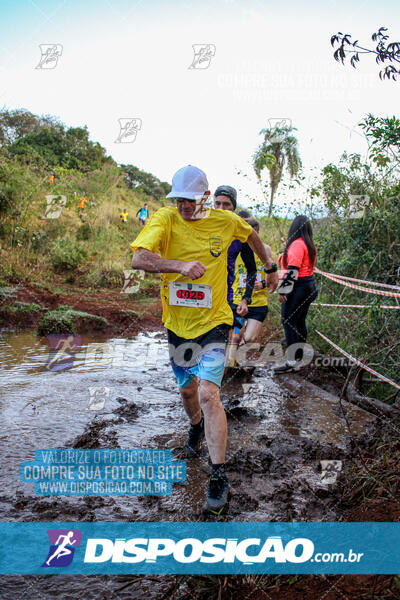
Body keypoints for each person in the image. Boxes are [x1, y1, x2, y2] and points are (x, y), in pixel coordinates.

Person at [130, 165, 278, 513]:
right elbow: (139, 257)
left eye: (190, 200)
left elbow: (252, 238)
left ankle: (218, 475)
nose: (183, 205)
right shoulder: (165, 219)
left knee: (210, 393)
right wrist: (178, 266)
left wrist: (269, 266)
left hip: (215, 321)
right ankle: (194, 426)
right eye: (178, 199)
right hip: (178, 324)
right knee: (187, 391)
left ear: (206, 198)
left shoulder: (225, 222)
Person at [273, 215, 318, 373]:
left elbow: (293, 270)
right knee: (298, 322)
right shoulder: (308, 244)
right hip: (309, 285)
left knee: (289, 321)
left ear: (293, 228)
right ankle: (298, 357)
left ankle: (292, 360)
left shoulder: (297, 245)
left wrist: (283, 290)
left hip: (299, 286)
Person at [227, 217, 274, 366]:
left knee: (249, 339)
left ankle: (243, 362)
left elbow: (273, 276)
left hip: (258, 303)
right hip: (238, 301)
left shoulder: (265, 250)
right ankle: (230, 368)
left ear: (258, 233)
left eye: (254, 233)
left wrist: (263, 284)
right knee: (235, 338)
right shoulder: (234, 247)